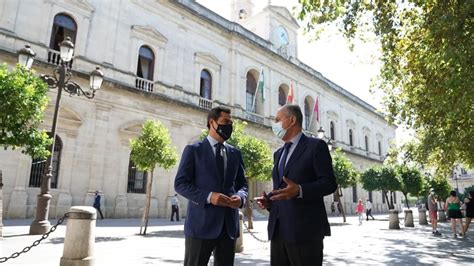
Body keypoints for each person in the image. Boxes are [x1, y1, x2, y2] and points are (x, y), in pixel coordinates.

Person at [255, 104, 337, 266]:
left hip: (305, 232)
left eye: (278, 120)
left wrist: (299, 190)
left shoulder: (316, 146)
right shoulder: (278, 153)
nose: (274, 124)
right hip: (278, 231)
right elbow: (283, 188)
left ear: (292, 120)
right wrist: (270, 201)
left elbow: (329, 183)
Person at [174, 106, 248, 266]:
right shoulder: (194, 150)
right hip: (200, 226)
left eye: (231, 123)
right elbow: (180, 184)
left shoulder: (235, 153)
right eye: (225, 122)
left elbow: (242, 184)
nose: (229, 126)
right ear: (212, 122)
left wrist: (241, 198)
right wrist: (209, 197)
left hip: (228, 227)